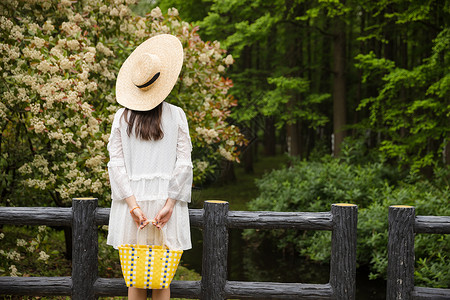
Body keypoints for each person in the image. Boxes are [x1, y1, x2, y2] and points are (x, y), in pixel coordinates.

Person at [106, 34, 192, 300]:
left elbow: (116, 164)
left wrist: (132, 206)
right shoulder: (176, 114)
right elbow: (184, 164)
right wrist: (170, 204)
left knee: (136, 278)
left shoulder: (121, 117)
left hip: (131, 203)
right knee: (161, 280)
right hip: (166, 201)